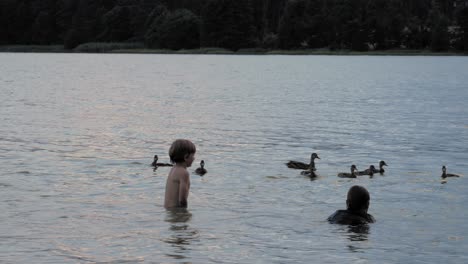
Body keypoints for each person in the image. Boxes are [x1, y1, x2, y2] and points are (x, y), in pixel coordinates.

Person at [164, 139, 196, 209]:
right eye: (193, 156)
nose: (194, 158)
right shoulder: (184, 173)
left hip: (168, 209)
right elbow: (182, 200)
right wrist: (184, 213)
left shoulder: (173, 169)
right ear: (186, 157)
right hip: (177, 212)